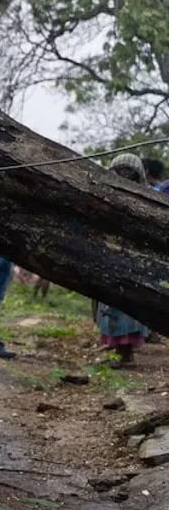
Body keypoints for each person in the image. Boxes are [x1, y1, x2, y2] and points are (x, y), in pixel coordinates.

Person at [96, 154, 152, 366]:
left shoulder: (144, 199)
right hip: (111, 258)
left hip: (133, 262)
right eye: (120, 171)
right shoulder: (108, 194)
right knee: (112, 307)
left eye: (129, 173)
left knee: (127, 308)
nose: (124, 176)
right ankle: (119, 351)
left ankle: (127, 356)